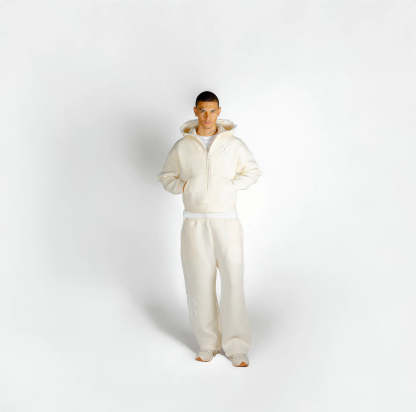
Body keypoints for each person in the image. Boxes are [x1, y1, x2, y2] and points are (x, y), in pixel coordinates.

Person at [157, 91, 262, 367]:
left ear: (219, 111)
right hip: (194, 223)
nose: (207, 116)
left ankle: (236, 347)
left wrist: (228, 186)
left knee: (233, 282)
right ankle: (207, 344)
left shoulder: (233, 145)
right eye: (202, 110)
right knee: (199, 283)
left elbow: (252, 171)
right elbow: (166, 176)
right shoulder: (183, 147)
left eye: (212, 111)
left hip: (227, 222)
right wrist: (184, 187)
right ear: (195, 111)